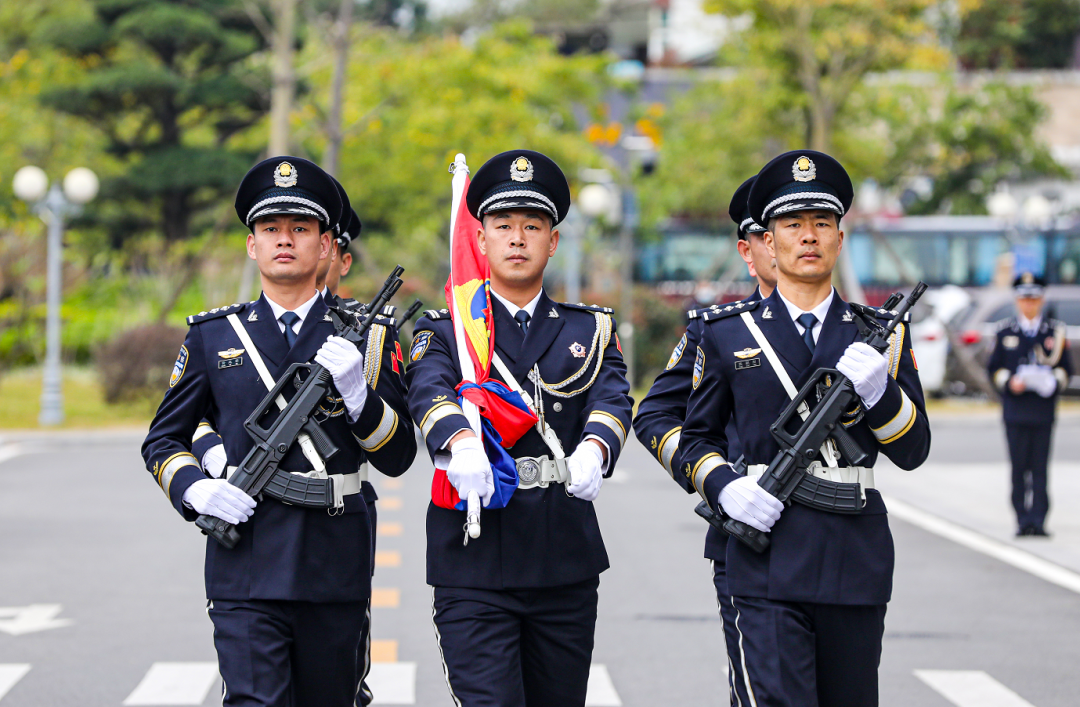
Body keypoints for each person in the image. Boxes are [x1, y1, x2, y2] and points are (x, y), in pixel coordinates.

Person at [142, 156, 416, 707]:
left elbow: (399, 456)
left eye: (300, 229)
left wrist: (358, 394)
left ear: (324, 246)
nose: (284, 240)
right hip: (244, 560)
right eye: (270, 229)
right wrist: (196, 489)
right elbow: (163, 440)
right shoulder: (214, 335)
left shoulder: (369, 336)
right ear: (252, 245)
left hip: (333, 558)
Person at [680, 150, 931, 707]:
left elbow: (914, 450)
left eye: (822, 224)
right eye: (792, 225)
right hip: (765, 559)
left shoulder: (879, 336)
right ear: (768, 243)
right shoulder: (726, 333)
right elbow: (693, 437)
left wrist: (879, 394)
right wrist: (724, 486)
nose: (808, 236)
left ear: (840, 239)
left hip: (854, 557)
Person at [404, 150, 633, 707]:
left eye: (532, 226)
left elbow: (612, 397)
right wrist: (460, 442)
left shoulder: (590, 328)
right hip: (474, 557)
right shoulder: (449, 330)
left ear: (553, 242)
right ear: (479, 240)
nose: (517, 238)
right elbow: (427, 387)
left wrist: (595, 451)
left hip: (562, 555)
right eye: (503, 226)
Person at [632, 176, 775, 705]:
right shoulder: (718, 330)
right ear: (749, 248)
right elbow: (655, 417)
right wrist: (716, 480)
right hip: (747, 527)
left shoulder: (848, 327)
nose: (786, 242)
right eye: (770, 233)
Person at [988, 272, 1073, 537]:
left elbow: (1066, 369)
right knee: (1018, 468)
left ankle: (1038, 519)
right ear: (1017, 301)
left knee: (1039, 469)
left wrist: (1053, 382)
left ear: (1041, 300)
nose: (1029, 304)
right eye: (1024, 299)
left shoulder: (1054, 332)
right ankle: (1022, 519)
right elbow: (994, 369)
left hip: (1042, 411)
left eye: (1034, 299)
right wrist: (1009, 382)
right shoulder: (1005, 331)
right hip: (1015, 410)